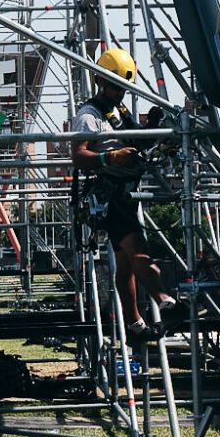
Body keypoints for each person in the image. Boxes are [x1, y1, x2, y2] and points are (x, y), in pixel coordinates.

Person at [70, 46, 175, 339]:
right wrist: (111, 157)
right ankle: (163, 299)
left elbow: (133, 142)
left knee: (126, 263)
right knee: (138, 248)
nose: (119, 93)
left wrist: (149, 127)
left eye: (123, 88)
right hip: (111, 194)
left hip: (126, 188)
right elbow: (78, 156)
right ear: (99, 81)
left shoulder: (119, 110)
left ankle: (133, 323)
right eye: (114, 87)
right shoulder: (88, 116)